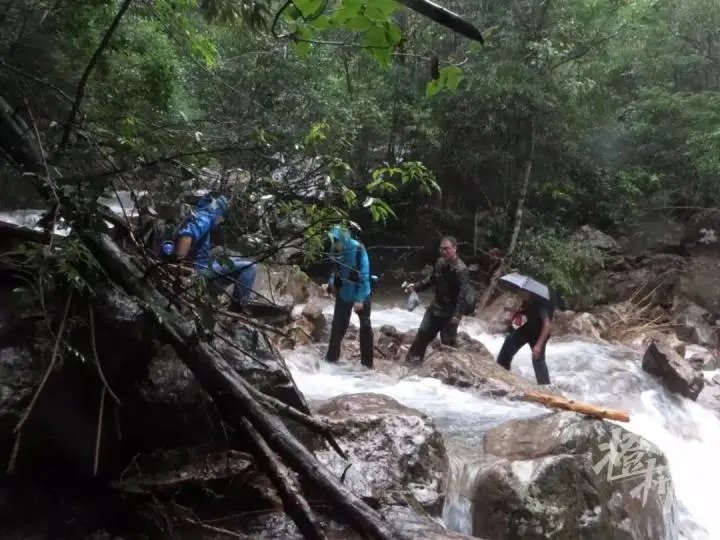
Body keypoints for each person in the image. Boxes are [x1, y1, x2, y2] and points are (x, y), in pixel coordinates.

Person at [170, 195, 257, 305]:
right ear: (218, 210)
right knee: (250, 267)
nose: (221, 219)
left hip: (202, 264)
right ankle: (238, 307)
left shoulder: (196, 214)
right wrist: (179, 267)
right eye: (222, 215)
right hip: (199, 272)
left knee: (237, 259)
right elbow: (187, 235)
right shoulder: (204, 217)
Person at [404, 236, 474, 365]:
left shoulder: (461, 270)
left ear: (454, 249)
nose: (443, 251)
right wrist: (416, 286)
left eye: (446, 249)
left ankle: (452, 375)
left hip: (450, 313)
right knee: (421, 337)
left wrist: (457, 315)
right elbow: (431, 279)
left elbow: (463, 294)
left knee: (448, 346)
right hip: (435, 308)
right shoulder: (439, 263)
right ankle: (410, 365)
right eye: (441, 249)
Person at [324, 224, 374, 369]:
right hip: (344, 292)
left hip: (361, 292)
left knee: (365, 327)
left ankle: (367, 365)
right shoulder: (334, 250)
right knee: (337, 326)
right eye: (332, 240)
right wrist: (331, 284)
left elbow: (364, 276)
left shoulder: (358, 249)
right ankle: (330, 361)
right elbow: (334, 271)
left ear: (344, 239)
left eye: (336, 240)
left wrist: (359, 300)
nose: (334, 243)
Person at [496, 289, 553, 385]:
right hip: (529, 328)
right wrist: (518, 313)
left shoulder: (542, 302)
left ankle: (545, 386)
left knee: (537, 358)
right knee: (509, 341)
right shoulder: (532, 298)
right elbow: (532, 312)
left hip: (539, 333)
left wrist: (538, 345)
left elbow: (547, 325)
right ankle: (502, 369)